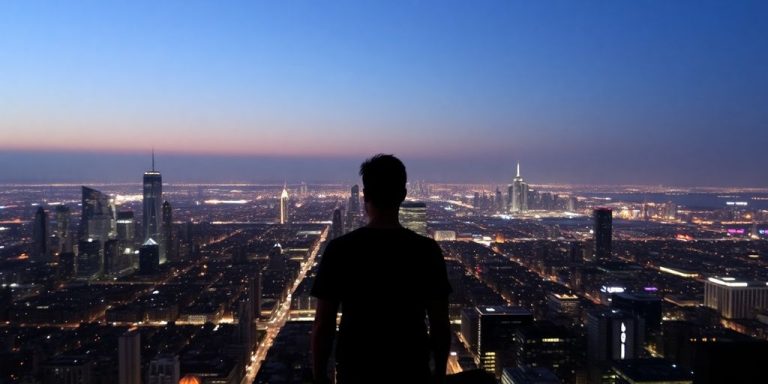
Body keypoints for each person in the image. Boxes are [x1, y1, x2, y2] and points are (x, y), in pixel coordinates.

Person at [311, 154, 452, 384]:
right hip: (411, 369)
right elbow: (439, 324)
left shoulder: (340, 250)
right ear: (403, 196)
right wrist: (438, 375)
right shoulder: (426, 250)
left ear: (365, 196)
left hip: (356, 370)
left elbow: (323, 325)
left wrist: (319, 377)